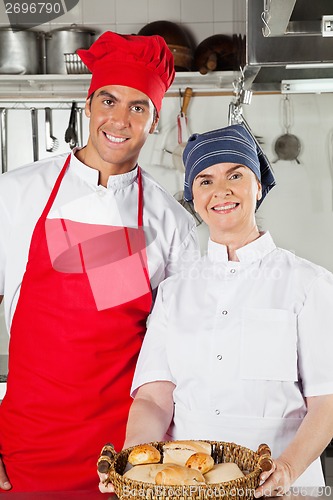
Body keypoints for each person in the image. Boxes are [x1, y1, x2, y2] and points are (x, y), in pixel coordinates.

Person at [0, 31, 199, 492]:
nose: (119, 119)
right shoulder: (15, 194)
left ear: (155, 119)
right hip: (27, 445)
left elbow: (178, 356)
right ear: (87, 107)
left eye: (138, 107)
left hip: (128, 455)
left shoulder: (172, 223)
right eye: (108, 100)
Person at [98, 124, 333, 496]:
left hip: (280, 486)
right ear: (192, 197)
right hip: (187, 485)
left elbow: (327, 401)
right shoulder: (174, 291)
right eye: (205, 181)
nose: (220, 191)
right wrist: (133, 461)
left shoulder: (308, 284)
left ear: (258, 186)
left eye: (235, 175)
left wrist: (286, 469)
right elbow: (154, 398)